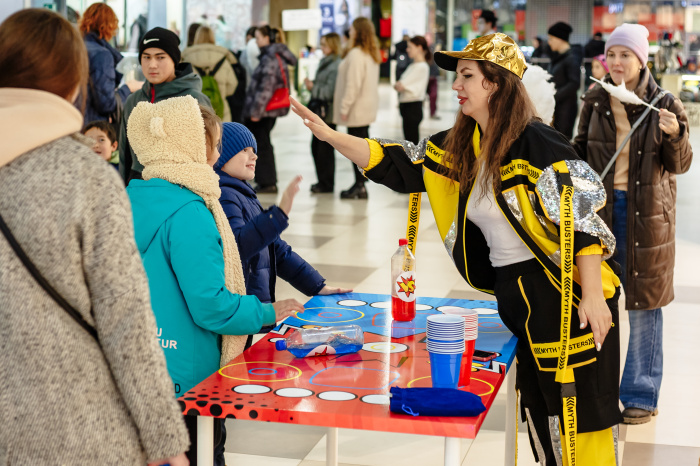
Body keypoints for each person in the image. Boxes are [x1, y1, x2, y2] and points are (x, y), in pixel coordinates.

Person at [292, 32, 623, 465]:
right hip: (516, 294)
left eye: (467, 76)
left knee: (578, 418)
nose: (456, 86)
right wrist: (331, 136)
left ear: (496, 83)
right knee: (540, 412)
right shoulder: (466, 144)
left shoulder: (538, 142)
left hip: (564, 297)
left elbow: (582, 220)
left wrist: (594, 296)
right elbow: (401, 161)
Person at [0, 9, 189, 465]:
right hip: (80, 426)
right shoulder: (87, 178)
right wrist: (165, 441)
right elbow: (126, 320)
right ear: (73, 84)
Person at [126, 96, 304, 464]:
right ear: (191, 145)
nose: (218, 154)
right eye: (215, 144)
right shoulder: (190, 212)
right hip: (187, 376)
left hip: (141, 364)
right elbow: (210, 306)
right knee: (204, 454)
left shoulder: (131, 196)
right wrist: (267, 312)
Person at [574, 23, 693, 425]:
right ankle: (599, 391)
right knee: (599, 296)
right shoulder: (595, 98)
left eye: (626, 55)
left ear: (641, 60)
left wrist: (675, 135)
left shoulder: (665, 103)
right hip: (602, 211)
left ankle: (641, 393)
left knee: (644, 303)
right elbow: (579, 151)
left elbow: (681, 164)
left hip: (648, 216)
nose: (617, 62)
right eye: (612, 54)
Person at [215, 122, 352, 311]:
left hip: (252, 308)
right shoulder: (224, 195)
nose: (254, 156)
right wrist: (277, 216)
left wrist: (316, 286)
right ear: (222, 155)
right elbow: (237, 248)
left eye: (253, 150)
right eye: (245, 150)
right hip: (241, 310)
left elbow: (276, 251)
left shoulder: (243, 193)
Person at [118, 27, 211, 184]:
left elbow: (209, 154)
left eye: (160, 57)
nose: (152, 64)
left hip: (181, 189)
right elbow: (124, 154)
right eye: (146, 57)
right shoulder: (134, 100)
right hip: (138, 188)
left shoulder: (194, 100)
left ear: (174, 60)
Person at [244, 26, 297, 194]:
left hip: (264, 111)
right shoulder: (272, 56)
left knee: (262, 145)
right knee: (263, 143)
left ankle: (267, 182)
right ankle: (265, 180)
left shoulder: (270, 58)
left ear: (267, 38)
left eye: (258, 38)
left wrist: (256, 112)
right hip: (267, 110)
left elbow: (266, 88)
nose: (256, 42)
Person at [333, 17, 381, 200]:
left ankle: (359, 185)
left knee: (356, 149)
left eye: (352, 29)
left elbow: (353, 84)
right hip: (365, 108)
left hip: (356, 109)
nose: (350, 32)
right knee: (362, 146)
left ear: (359, 32)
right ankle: (360, 183)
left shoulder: (356, 54)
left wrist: (344, 107)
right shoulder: (370, 53)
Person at [79, 3, 142, 126]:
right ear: (110, 25)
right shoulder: (102, 55)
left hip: (75, 120)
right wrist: (128, 88)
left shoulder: (76, 47)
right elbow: (106, 103)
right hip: (93, 125)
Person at [305, 33, 342, 193]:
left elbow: (329, 91)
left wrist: (313, 87)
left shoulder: (335, 65)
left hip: (328, 113)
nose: (322, 47)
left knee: (324, 149)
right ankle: (322, 181)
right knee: (316, 147)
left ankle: (326, 183)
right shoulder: (326, 61)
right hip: (321, 111)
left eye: (325, 44)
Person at [182, 25, 239, 122]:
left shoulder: (186, 58)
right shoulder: (223, 59)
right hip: (220, 110)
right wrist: (221, 93)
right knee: (220, 131)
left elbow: (183, 86)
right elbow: (233, 84)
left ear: (197, 37)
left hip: (195, 110)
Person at [394, 35, 431, 144]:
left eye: (410, 47)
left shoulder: (422, 67)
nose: (407, 50)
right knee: (409, 141)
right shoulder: (413, 65)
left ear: (419, 48)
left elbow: (402, 84)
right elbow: (399, 84)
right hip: (407, 106)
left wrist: (401, 86)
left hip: (413, 107)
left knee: (411, 143)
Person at [548, 21, 582, 140]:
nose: (549, 42)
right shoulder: (559, 57)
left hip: (566, 109)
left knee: (562, 141)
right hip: (558, 106)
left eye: (551, 38)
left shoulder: (572, 58)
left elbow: (574, 83)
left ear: (559, 39)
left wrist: (555, 95)